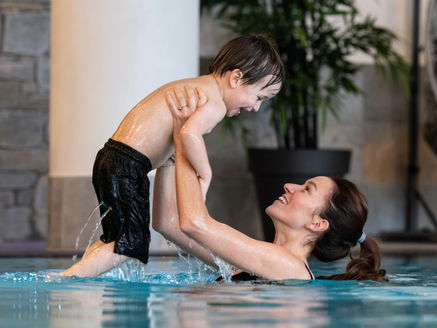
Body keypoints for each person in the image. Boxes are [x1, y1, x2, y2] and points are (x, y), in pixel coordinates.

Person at [59, 34, 284, 277]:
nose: (255, 107)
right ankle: (66, 280)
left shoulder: (196, 88)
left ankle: (75, 274)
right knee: (130, 244)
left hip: (112, 158)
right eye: (259, 97)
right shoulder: (215, 102)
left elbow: (168, 222)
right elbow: (188, 133)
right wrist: (205, 172)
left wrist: (229, 269)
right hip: (127, 165)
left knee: (117, 240)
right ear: (236, 77)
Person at [155, 97, 388, 282]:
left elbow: (194, 223)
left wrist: (184, 136)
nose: (289, 186)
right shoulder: (258, 263)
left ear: (317, 223)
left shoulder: (287, 266)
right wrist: (171, 154)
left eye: (307, 189)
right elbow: (168, 224)